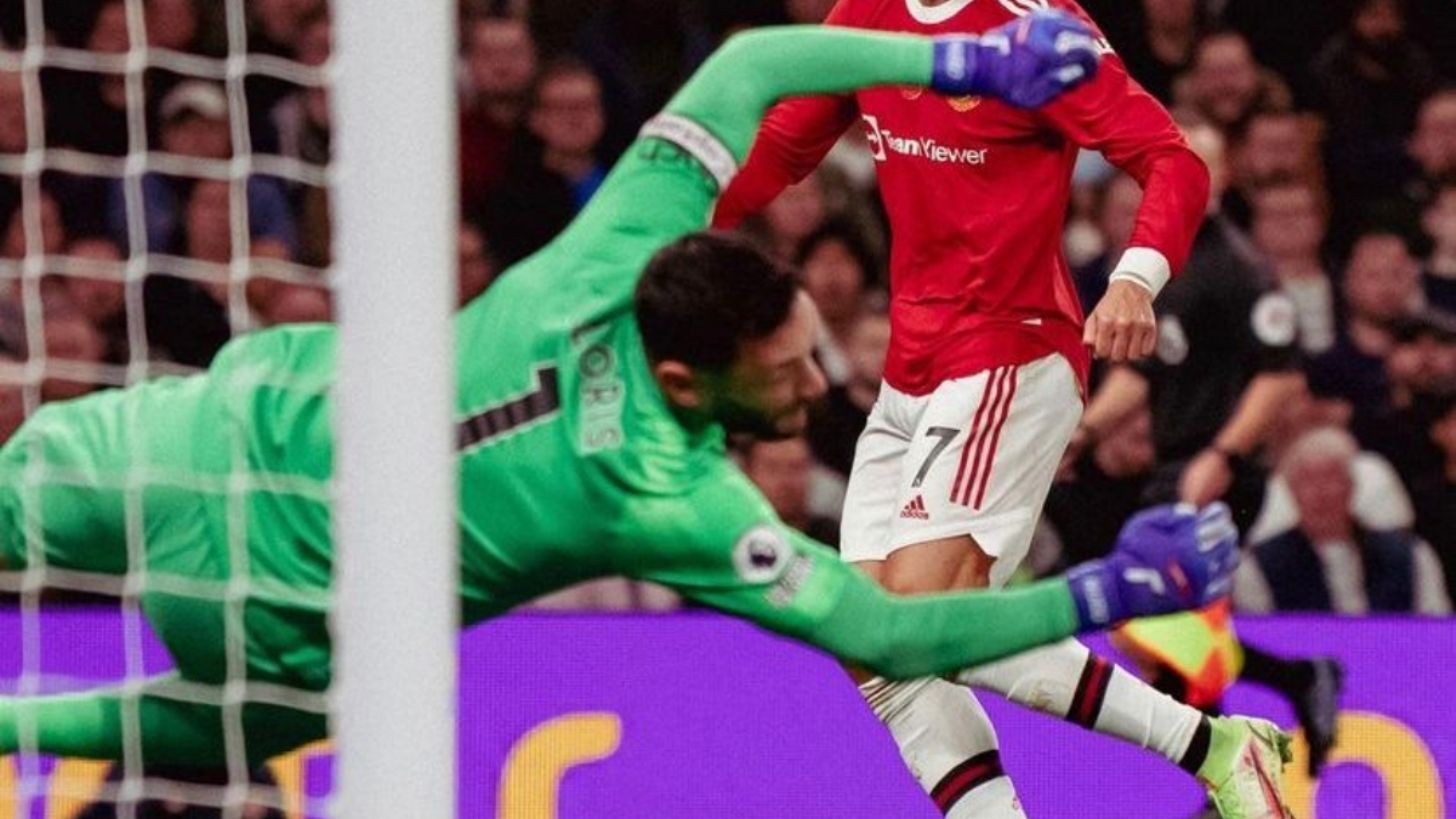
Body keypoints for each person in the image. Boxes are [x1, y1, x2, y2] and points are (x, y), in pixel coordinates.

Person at [0, 13, 1271, 795]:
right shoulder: (675, 499)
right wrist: (1110, 591)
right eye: (787, 370)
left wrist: (970, 73)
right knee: (890, 645)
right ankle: (1209, 747)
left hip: (186, 445)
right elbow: (883, 634)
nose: (814, 384)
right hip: (290, 616)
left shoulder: (608, 250)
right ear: (689, 384)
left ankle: (1202, 750)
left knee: (910, 631)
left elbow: (754, 62)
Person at [712, 2, 1288, 817]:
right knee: (864, 636)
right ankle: (1199, 752)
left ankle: (1211, 746)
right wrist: (656, 225)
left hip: (1012, 351)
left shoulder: (1039, 25)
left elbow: (1173, 159)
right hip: (911, 366)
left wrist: (1135, 278)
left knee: (919, 611)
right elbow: (780, 149)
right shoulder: (867, 13)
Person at [1235, 426, 1452, 615]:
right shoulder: (1256, 566)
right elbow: (1257, 638)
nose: (1320, 495)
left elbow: (1435, 629)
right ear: (1291, 490)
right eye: (1307, 481)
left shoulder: (1411, 554)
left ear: (1351, 485)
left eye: (1331, 478)